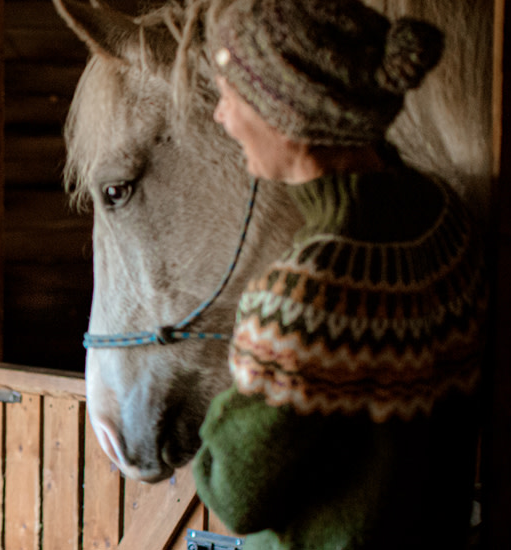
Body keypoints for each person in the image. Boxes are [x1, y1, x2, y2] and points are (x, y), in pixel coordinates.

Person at [193, 0, 485, 548]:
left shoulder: (308, 289)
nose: (222, 116)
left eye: (232, 96)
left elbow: (234, 492)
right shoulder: (444, 219)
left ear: (291, 117)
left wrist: (246, 369)